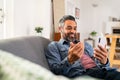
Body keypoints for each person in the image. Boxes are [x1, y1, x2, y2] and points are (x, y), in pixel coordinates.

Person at [45, 15, 120, 80]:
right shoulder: (54, 46)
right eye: (69, 28)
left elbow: (101, 65)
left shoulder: (86, 45)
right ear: (60, 29)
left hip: (100, 72)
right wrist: (69, 60)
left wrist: (105, 62)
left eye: (75, 28)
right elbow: (55, 72)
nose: (73, 31)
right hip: (81, 75)